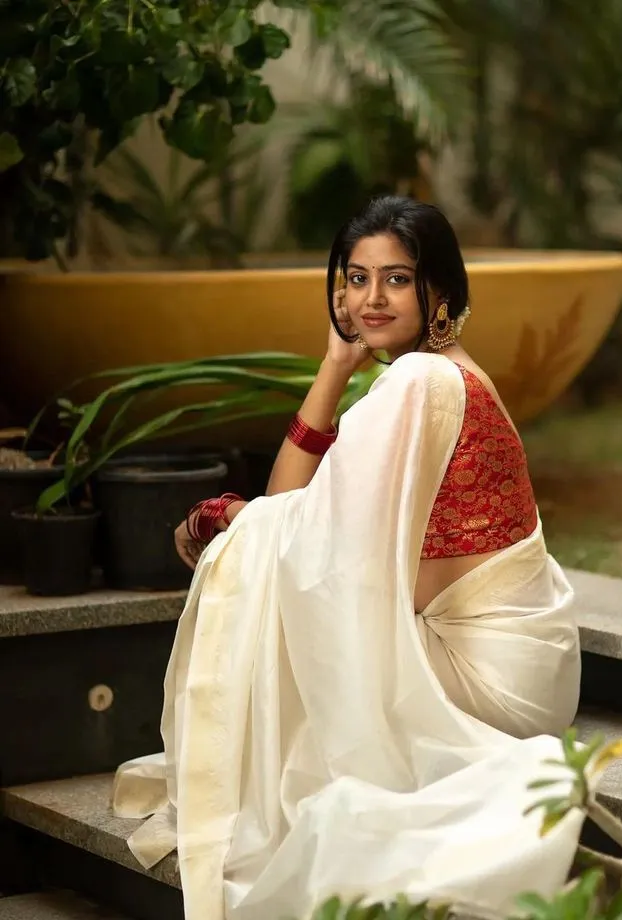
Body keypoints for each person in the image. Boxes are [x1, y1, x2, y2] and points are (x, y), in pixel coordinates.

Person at [113, 197, 583, 920]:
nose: (371, 299)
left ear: (440, 290)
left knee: (299, 638)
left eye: (396, 279)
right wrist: (336, 364)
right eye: (356, 279)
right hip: (528, 671)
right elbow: (299, 514)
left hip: (485, 682)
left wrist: (224, 518)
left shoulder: (419, 383)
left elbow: (307, 540)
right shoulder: (443, 372)